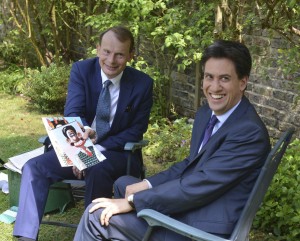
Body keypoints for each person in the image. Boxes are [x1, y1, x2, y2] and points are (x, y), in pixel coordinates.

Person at [73, 40, 271, 241]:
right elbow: (190, 165)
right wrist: (148, 184)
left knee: (94, 216)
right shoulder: (207, 115)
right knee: (124, 184)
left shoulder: (248, 132)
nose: (214, 86)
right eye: (209, 77)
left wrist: (134, 201)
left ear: (242, 82)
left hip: (200, 229)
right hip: (194, 208)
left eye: (225, 78)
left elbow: (200, 184)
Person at [13, 26, 153, 241]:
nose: (111, 60)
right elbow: (73, 112)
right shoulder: (81, 70)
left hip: (116, 154)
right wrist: (82, 151)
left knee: (96, 166)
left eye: (119, 54)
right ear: (98, 49)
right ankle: (25, 236)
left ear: (130, 55)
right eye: (106, 52)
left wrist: (92, 152)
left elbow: (136, 130)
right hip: (77, 144)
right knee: (34, 167)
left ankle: (90, 233)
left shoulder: (143, 84)